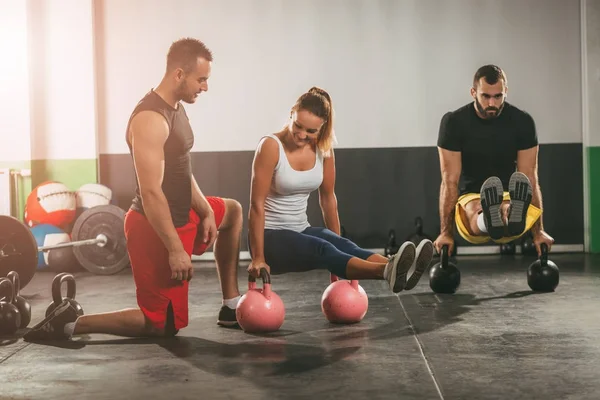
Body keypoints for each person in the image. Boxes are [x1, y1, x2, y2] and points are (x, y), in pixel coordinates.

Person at [24, 38, 244, 341]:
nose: (205, 87)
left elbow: (182, 167)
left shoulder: (177, 107)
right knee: (162, 325)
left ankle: (231, 306)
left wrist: (205, 209)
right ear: (179, 74)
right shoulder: (150, 119)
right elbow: (151, 192)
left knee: (231, 211)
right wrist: (175, 249)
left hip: (184, 215)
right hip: (155, 227)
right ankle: (69, 322)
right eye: (201, 79)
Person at [248, 87, 434, 293]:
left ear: (322, 128)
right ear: (291, 113)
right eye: (298, 126)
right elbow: (256, 205)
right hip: (269, 238)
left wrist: (339, 255)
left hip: (301, 230)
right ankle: (387, 271)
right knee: (323, 249)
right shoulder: (270, 146)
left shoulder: (323, 149)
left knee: (345, 246)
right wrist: (258, 257)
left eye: (311, 131)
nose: (301, 135)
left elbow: (328, 199)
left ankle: (399, 267)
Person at [434, 64, 554, 256]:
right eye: (486, 96)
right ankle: (491, 216)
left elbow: (529, 178)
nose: (492, 103)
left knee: (507, 208)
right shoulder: (454, 123)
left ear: (505, 91)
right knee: (477, 208)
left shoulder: (522, 122)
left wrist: (539, 232)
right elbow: (450, 181)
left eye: (498, 96)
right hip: (470, 195)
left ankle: (501, 215)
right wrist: (446, 233)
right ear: (473, 92)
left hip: (508, 193)